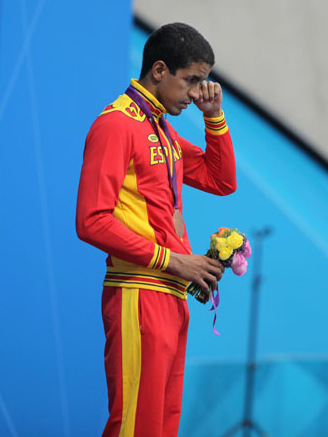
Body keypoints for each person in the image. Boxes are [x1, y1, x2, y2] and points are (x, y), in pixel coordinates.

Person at [76, 22, 237, 437]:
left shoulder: (163, 130)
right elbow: (91, 221)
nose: (197, 93)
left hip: (170, 295)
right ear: (160, 70)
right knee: (134, 424)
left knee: (160, 427)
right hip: (138, 291)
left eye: (204, 82)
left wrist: (214, 117)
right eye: (191, 81)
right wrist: (174, 261)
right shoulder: (116, 124)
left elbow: (222, 181)